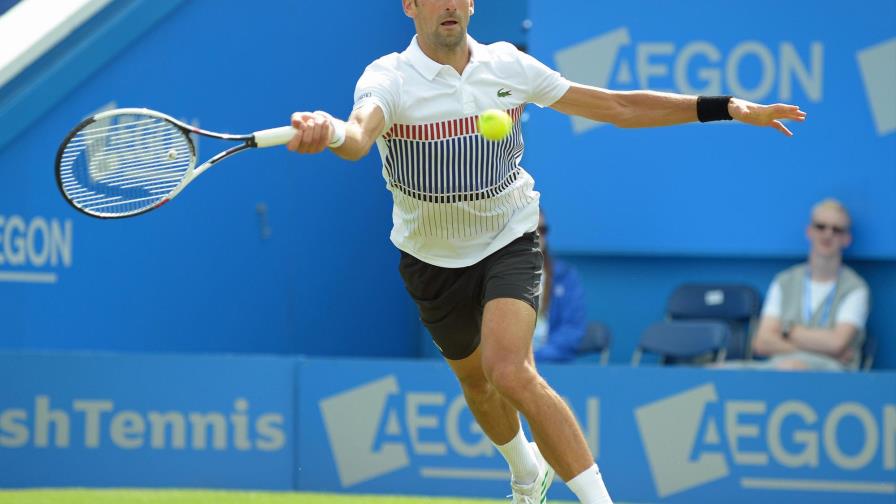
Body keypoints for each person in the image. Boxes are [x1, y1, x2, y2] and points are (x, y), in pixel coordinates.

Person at [285, 1, 806, 502]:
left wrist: (726, 108)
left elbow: (617, 105)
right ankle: (526, 472)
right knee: (477, 383)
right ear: (410, 6)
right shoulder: (390, 78)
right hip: (429, 256)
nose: (449, 4)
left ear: (471, 5)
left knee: (508, 370)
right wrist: (327, 130)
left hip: (508, 234)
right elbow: (357, 138)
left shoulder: (507, 65)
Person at [751, 199, 870, 371]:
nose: (827, 234)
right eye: (821, 227)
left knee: (794, 366)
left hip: (834, 377)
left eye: (836, 230)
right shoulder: (784, 280)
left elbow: (838, 343)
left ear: (846, 239)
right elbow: (762, 342)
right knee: (720, 370)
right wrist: (813, 348)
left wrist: (786, 331)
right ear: (809, 232)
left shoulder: (856, 287)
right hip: (778, 370)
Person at [533, 210, 588, 363]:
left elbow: (572, 330)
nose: (537, 235)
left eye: (542, 230)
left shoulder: (565, 277)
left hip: (548, 364)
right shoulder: (495, 278)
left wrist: (532, 359)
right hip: (504, 366)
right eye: (530, 229)